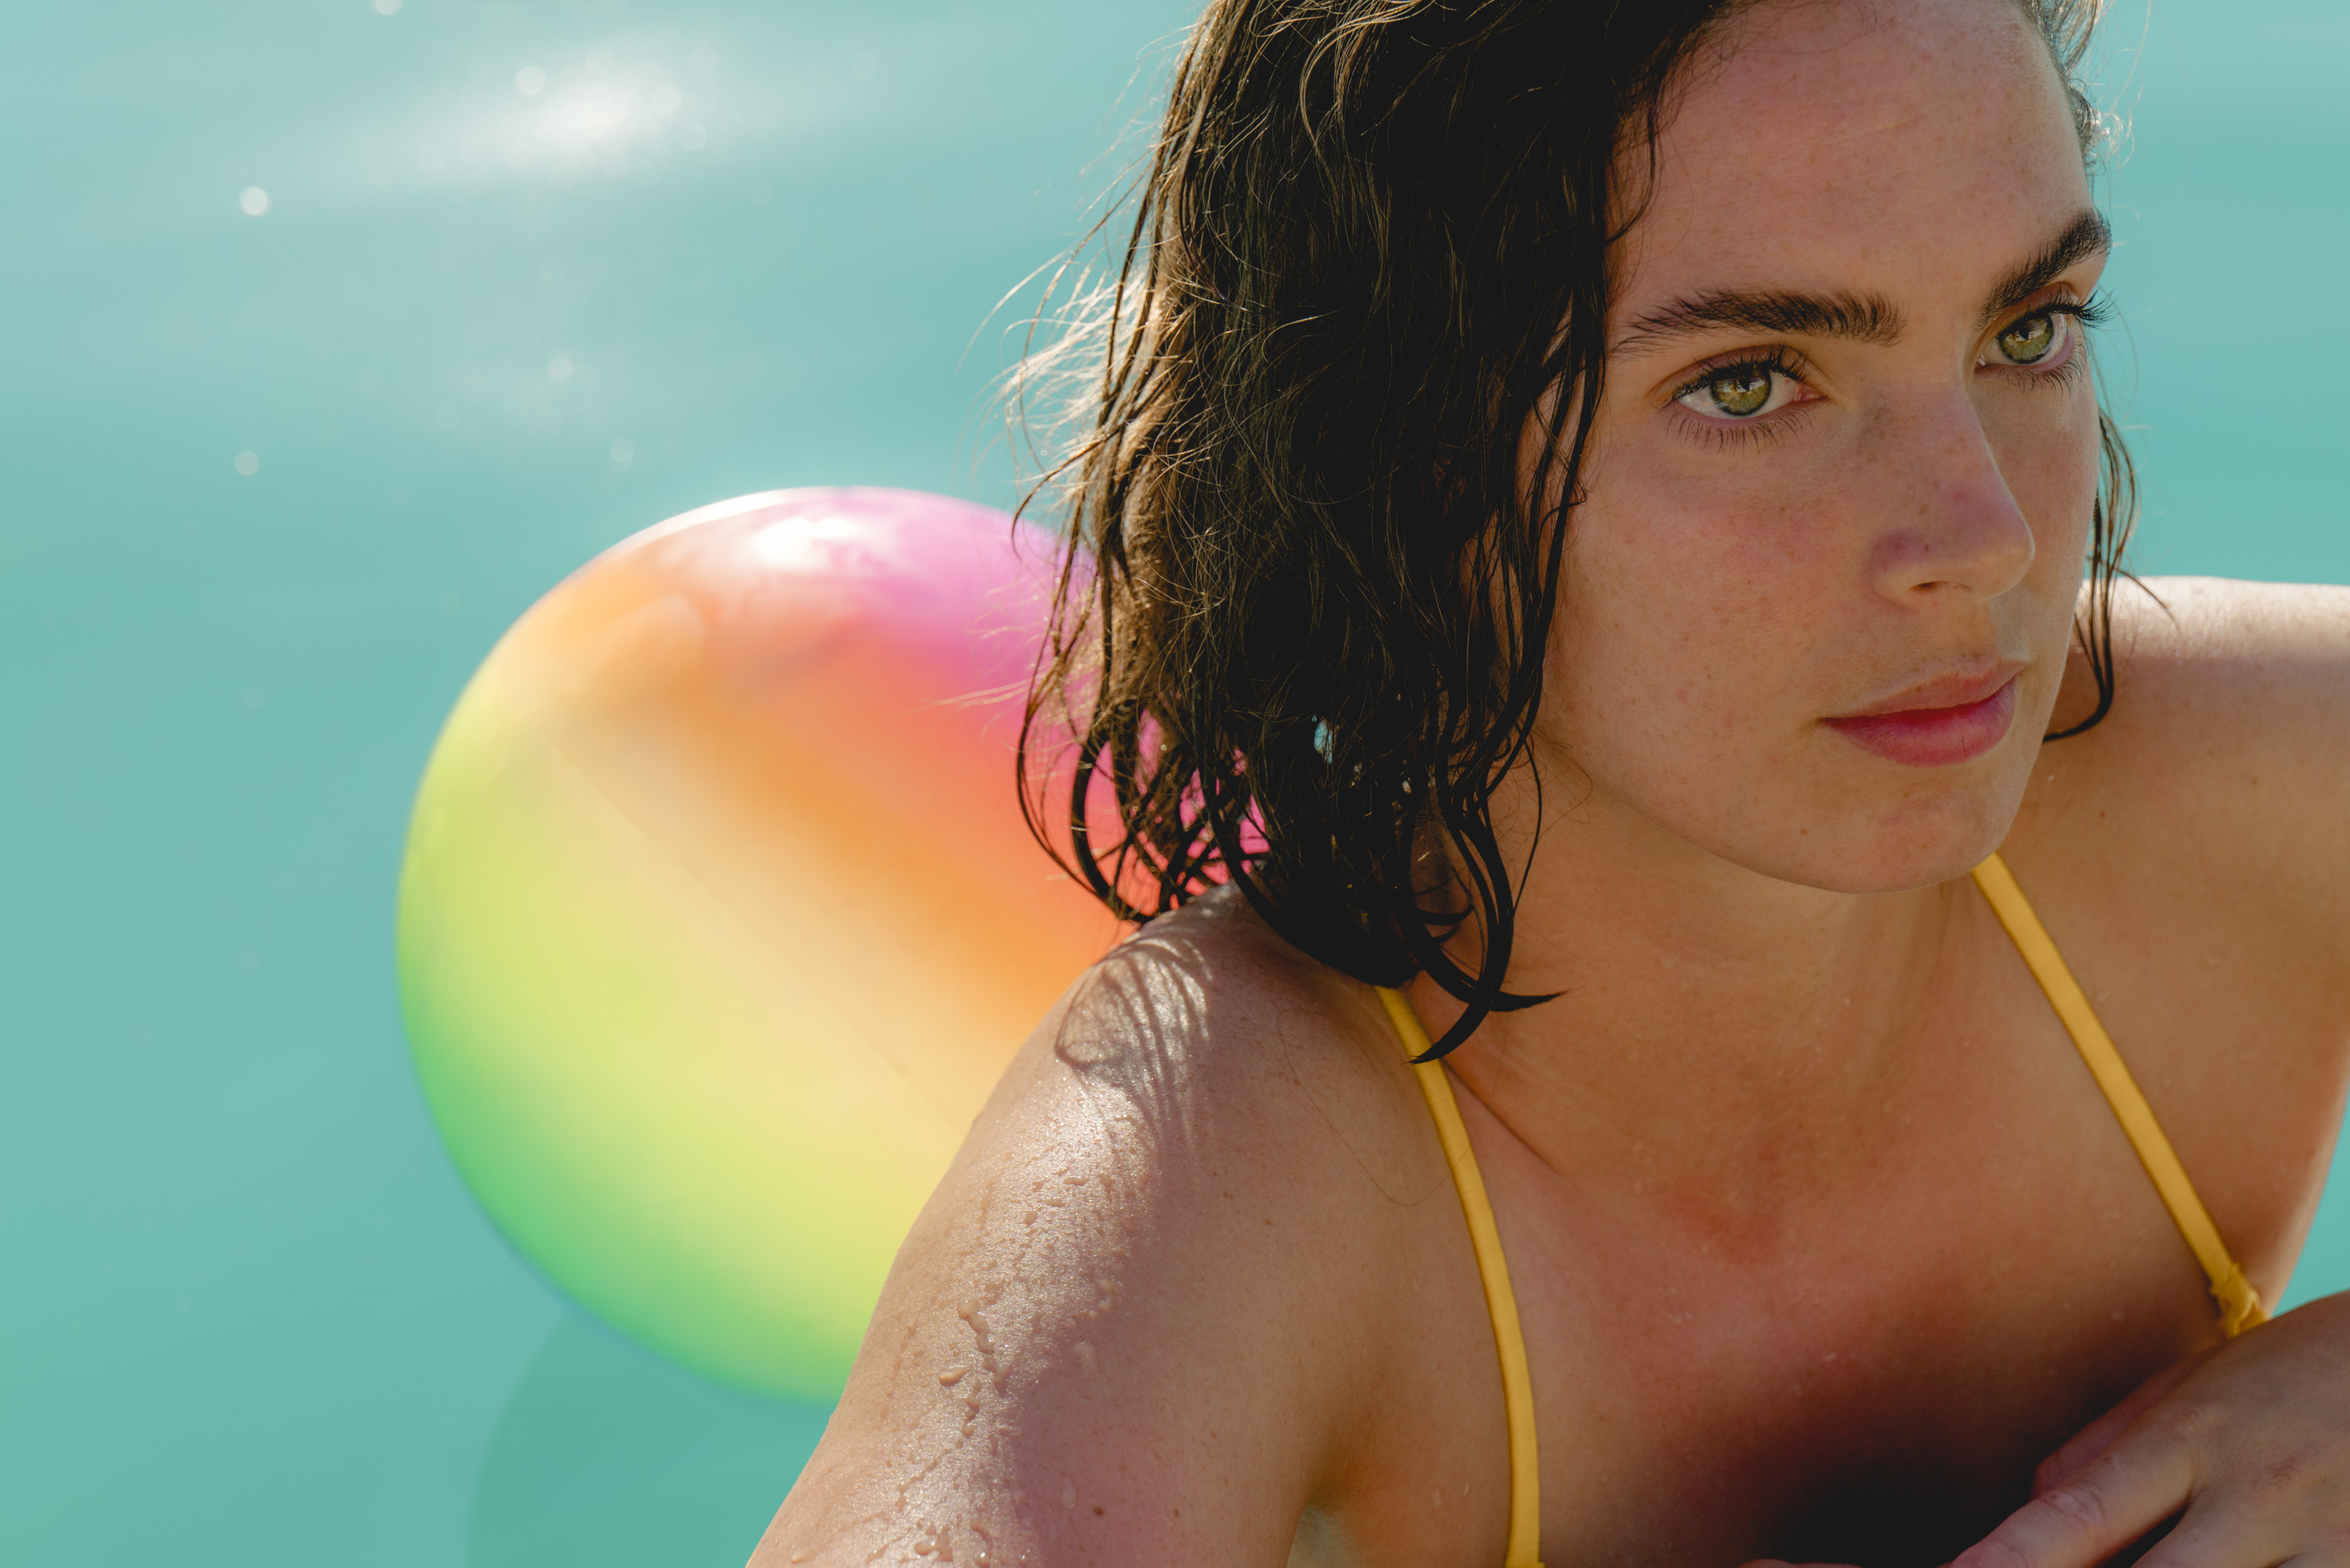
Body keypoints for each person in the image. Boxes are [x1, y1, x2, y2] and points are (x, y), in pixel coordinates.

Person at [753, 0, 2350, 1563]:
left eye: (2027, 331)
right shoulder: (1223, 1176)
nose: (1987, 534)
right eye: (1750, 382)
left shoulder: (2236, 788)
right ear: (1402, 458)